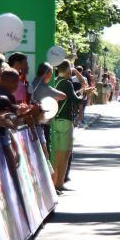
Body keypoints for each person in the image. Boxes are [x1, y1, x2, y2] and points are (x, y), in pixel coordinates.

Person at [51, 61, 80, 192]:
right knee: (64, 153)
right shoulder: (67, 83)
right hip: (65, 120)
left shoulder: (55, 81)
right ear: (67, 69)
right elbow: (76, 99)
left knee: (55, 153)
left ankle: (54, 182)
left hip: (54, 120)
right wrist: (86, 94)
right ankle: (59, 184)